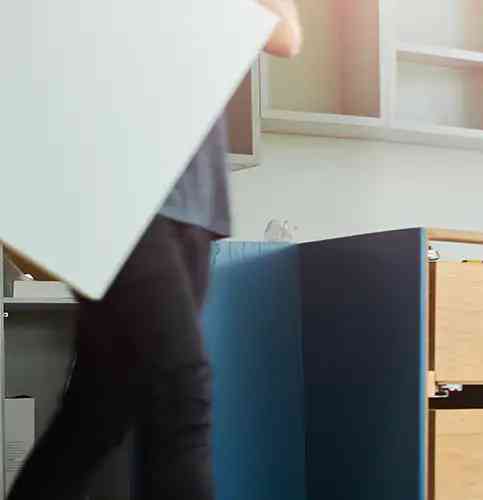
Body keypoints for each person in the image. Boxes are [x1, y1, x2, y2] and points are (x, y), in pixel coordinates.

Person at [7, 3, 301, 499]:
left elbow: (286, 36)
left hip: (193, 197)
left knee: (101, 413)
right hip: (113, 190)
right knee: (181, 392)